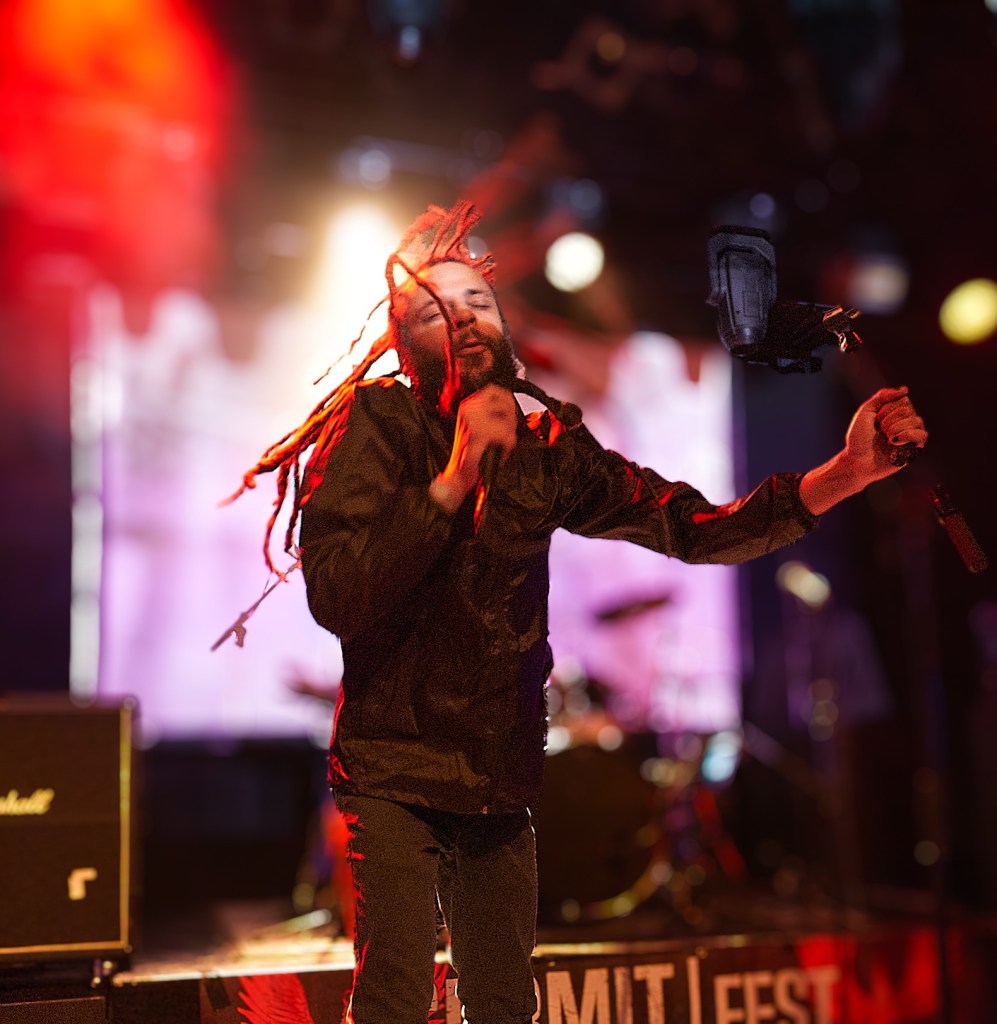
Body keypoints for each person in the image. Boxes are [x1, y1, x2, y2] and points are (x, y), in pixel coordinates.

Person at [229, 202, 927, 1024]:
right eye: (433, 311)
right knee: (394, 998)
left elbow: (691, 526)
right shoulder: (373, 424)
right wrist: (453, 481)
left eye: (478, 302)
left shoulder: (549, 448)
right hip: (391, 770)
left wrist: (843, 474)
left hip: (497, 776)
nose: (464, 318)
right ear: (405, 344)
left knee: (504, 1005)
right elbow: (339, 595)